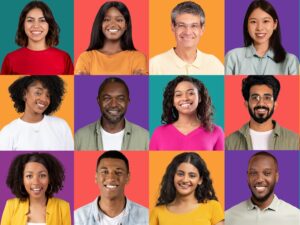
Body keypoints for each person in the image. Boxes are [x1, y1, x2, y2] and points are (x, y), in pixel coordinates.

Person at [150, 76, 224, 150]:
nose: (185, 98)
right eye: (178, 95)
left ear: (200, 98)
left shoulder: (216, 131)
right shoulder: (159, 133)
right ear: (172, 101)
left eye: (191, 93)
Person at [225, 0, 299, 75]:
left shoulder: (290, 61)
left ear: (275, 24)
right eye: (253, 22)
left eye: (266, 21)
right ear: (247, 25)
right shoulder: (233, 57)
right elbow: (223, 87)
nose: (259, 28)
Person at [0, 75, 74, 150]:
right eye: (38, 93)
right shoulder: (8, 132)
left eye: (48, 95)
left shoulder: (61, 126)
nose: (44, 99)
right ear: (24, 94)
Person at [150, 1, 224, 75]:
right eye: (181, 25)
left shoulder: (215, 65)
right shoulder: (155, 65)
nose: (188, 32)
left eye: (194, 26)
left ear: (202, 29)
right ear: (173, 27)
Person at [226, 75, 299, 150]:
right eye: (255, 98)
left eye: (267, 98)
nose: (261, 103)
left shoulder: (295, 141)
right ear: (246, 104)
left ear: (275, 104)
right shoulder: (230, 142)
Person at [225, 151, 300, 225]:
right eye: (253, 173)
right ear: (247, 177)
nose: (259, 179)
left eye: (267, 173)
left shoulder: (296, 217)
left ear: (276, 177)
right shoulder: (228, 217)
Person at [74, 150, 148, 225]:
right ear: (96, 177)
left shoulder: (146, 217)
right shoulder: (77, 218)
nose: (111, 178)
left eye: (118, 172)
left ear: (127, 177)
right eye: (105, 172)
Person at [150, 152, 224, 225]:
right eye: (180, 174)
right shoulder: (157, 212)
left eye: (192, 176)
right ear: (173, 176)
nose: (185, 180)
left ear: (200, 180)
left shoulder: (213, 207)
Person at [1, 1, 73, 75]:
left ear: (49, 25)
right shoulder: (10, 59)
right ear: (23, 24)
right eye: (30, 20)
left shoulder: (64, 58)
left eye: (42, 20)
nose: (36, 25)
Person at [75, 77, 149, 150]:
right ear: (98, 101)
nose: (113, 104)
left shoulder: (145, 138)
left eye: (120, 98)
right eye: (107, 98)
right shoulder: (80, 137)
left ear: (128, 101)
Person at [75, 1, 147, 75]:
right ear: (100, 25)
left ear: (126, 25)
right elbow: (81, 86)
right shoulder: (86, 58)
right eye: (106, 19)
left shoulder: (137, 58)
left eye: (119, 20)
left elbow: (139, 86)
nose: (113, 24)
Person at [1, 152, 71, 225]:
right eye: (29, 176)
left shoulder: (63, 207)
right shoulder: (11, 206)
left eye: (42, 175)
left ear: (50, 178)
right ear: (21, 179)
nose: (36, 182)